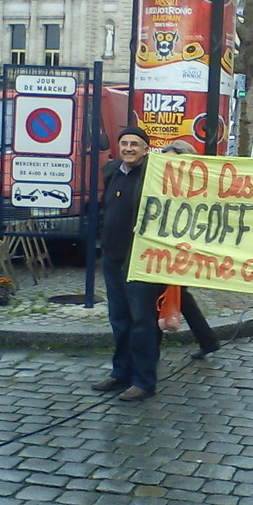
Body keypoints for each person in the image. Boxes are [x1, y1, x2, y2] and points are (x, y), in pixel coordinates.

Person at [93, 126, 164, 402]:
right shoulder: (112, 172)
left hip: (140, 260)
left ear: (146, 149)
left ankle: (144, 380)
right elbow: (105, 208)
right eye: (124, 143)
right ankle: (120, 373)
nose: (129, 148)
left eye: (135, 144)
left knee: (142, 322)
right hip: (113, 256)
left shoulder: (153, 176)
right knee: (119, 320)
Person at [159, 140, 220, 359]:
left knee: (167, 293)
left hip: (183, 249)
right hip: (163, 248)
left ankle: (151, 348)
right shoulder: (160, 183)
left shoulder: (196, 187)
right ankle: (207, 339)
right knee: (175, 294)